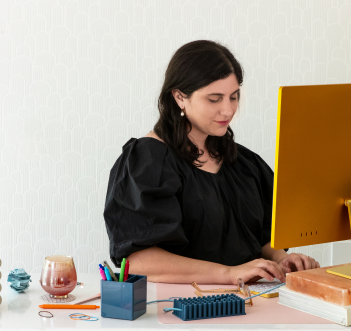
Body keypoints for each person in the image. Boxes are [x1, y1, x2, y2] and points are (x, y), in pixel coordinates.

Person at [103, 40, 319, 285]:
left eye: (234, 97)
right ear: (179, 97)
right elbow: (140, 261)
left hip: (252, 302)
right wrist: (229, 274)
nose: (228, 110)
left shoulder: (244, 162)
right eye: (214, 99)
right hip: (178, 309)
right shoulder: (146, 161)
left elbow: (263, 236)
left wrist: (280, 260)